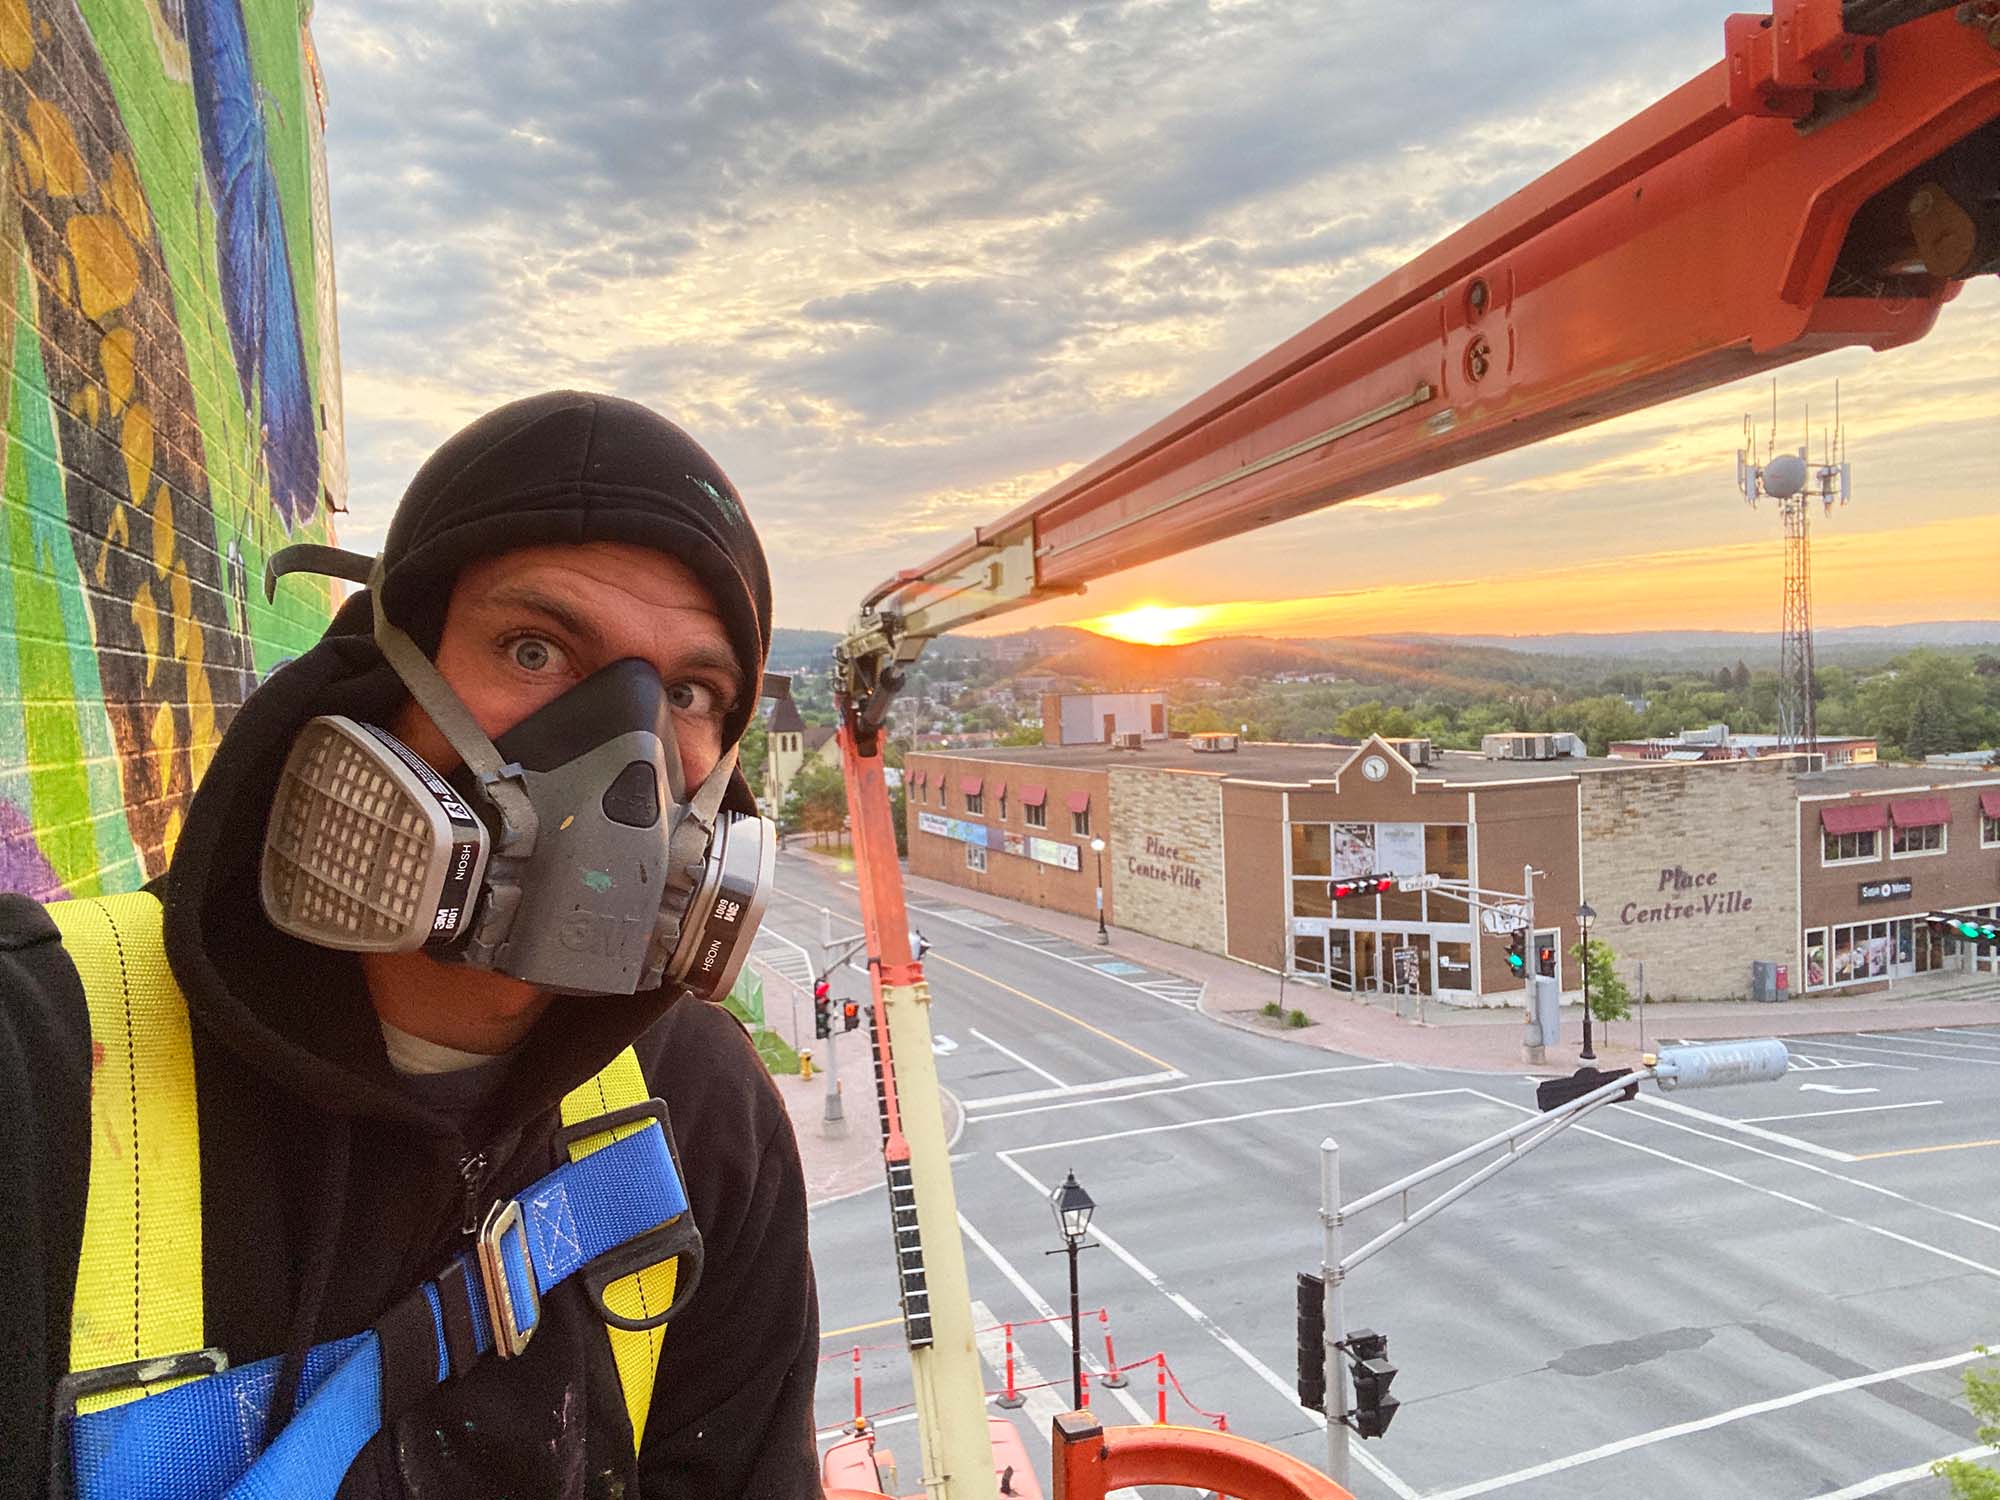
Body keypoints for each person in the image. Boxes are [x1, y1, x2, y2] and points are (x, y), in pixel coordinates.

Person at [0, 392, 820, 1499]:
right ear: (383, 679)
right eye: (534, 648)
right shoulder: (37, 1069)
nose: (630, 758)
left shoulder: (704, 1116)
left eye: (686, 691)